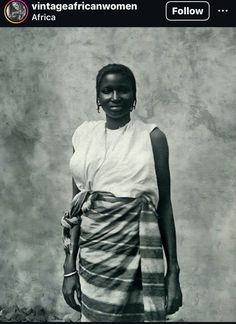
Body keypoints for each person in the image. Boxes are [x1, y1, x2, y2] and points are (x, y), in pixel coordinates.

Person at [61, 63, 182, 322]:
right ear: (98, 97)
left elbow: (164, 206)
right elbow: (76, 207)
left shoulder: (152, 137)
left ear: (134, 96)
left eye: (123, 90)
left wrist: (173, 271)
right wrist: (69, 266)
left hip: (138, 254)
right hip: (94, 259)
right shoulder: (83, 135)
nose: (115, 97)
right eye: (107, 91)